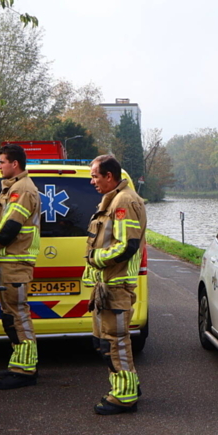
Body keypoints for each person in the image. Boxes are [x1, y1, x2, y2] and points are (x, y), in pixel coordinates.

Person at [83, 154, 147, 415]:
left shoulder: (124, 201)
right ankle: (127, 385)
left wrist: (96, 258)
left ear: (109, 176)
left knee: (115, 343)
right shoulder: (114, 199)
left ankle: (124, 397)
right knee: (105, 342)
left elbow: (127, 245)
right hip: (107, 287)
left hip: (117, 286)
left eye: (95, 176)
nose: (92, 181)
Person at [0, 144, 42, 390]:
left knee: (17, 316)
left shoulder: (22, 189)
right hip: (7, 262)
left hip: (15, 262)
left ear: (15, 164)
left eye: (1, 161)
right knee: (10, 316)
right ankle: (19, 364)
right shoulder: (11, 189)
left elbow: (11, 227)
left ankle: (25, 370)